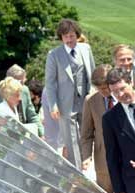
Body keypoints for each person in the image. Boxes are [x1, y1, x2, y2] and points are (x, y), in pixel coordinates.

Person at [45, 19, 96, 169]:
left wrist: (93, 91)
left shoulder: (86, 49)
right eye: (65, 36)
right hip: (65, 104)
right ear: (61, 37)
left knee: (86, 134)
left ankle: (87, 163)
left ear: (77, 36)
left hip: (86, 101)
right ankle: (77, 172)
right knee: (71, 139)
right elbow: (50, 82)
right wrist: (53, 105)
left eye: (71, 36)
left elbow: (92, 73)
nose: (69, 40)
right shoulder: (54, 54)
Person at [80, 64, 115, 193]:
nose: (104, 92)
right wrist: (86, 156)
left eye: (106, 88)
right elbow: (86, 133)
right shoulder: (91, 101)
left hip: (125, 159)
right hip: (103, 159)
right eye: (99, 89)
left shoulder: (124, 97)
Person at [0, 64, 43, 137]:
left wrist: (41, 134)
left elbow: (32, 115)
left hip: (20, 135)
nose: (23, 85)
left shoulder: (25, 90)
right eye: (21, 82)